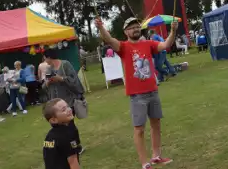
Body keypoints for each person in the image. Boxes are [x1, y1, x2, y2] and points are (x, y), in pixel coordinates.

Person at [96, 17, 176, 168]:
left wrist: (172, 31)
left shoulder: (148, 43)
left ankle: (156, 156)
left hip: (153, 91)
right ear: (126, 32)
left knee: (156, 124)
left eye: (137, 27)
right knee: (139, 129)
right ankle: (144, 163)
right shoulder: (123, 47)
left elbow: (166, 44)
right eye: (131, 27)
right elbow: (109, 39)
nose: (135, 29)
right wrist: (101, 28)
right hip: (137, 95)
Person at [42, 49, 84, 154]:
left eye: (45, 58)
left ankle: (76, 147)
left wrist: (60, 78)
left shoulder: (65, 64)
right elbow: (44, 86)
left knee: (69, 125)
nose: (45, 60)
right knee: (59, 127)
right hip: (55, 104)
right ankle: (65, 146)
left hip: (68, 101)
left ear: (49, 57)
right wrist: (47, 83)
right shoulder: (48, 69)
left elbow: (74, 80)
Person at [43, 98, 81, 169]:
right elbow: (73, 161)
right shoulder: (68, 135)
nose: (69, 110)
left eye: (68, 106)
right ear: (54, 120)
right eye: (64, 110)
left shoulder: (49, 136)